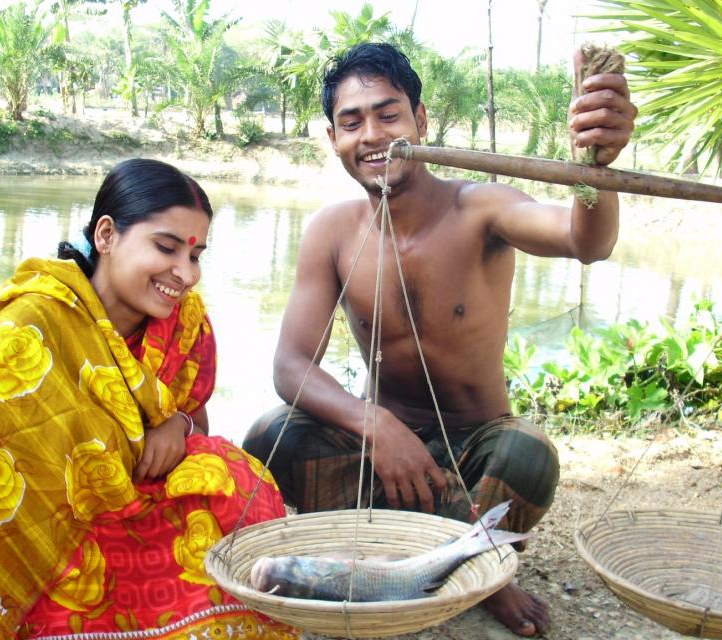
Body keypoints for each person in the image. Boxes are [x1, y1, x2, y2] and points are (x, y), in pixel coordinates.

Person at [243, 43, 637, 637]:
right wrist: (378, 426)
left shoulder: (480, 208)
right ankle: (436, 558)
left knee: (527, 455)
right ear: (333, 139)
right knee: (270, 436)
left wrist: (595, 169)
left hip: (474, 448)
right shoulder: (332, 230)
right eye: (352, 123)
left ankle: (478, 572)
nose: (372, 135)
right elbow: (292, 365)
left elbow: (587, 241)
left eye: (388, 114)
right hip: (381, 450)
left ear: (420, 121)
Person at [0, 159, 296, 639]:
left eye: (196, 255)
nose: (185, 274)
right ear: (106, 235)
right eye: (166, 248)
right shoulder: (37, 319)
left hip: (139, 486)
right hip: (50, 509)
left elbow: (194, 422)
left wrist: (177, 427)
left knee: (237, 478)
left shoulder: (185, 323)